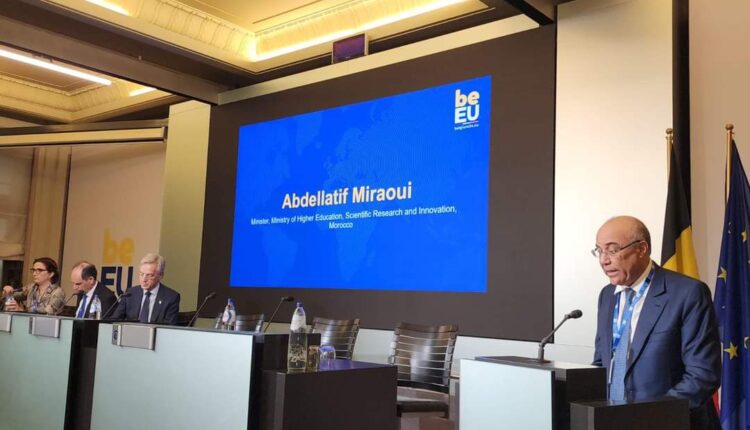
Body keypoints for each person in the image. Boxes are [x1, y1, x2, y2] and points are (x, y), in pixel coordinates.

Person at [592, 216, 721, 430]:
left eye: (612, 250)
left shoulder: (687, 293)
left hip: (671, 423)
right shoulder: (607, 296)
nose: (604, 260)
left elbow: (702, 374)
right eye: (599, 251)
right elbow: (602, 362)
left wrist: (650, 417)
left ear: (641, 249)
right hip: (614, 421)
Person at [111, 253, 180, 325]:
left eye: (149, 275)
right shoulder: (130, 293)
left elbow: (168, 327)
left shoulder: (171, 298)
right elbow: (115, 320)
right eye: (141, 274)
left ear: (160, 275)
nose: (144, 279)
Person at [1, 257, 65, 315]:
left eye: (39, 270)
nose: (34, 274)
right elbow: (11, 296)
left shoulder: (58, 292)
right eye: (34, 270)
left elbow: (46, 314)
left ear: (51, 274)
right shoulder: (31, 287)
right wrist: (7, 291)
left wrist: (21, 311)